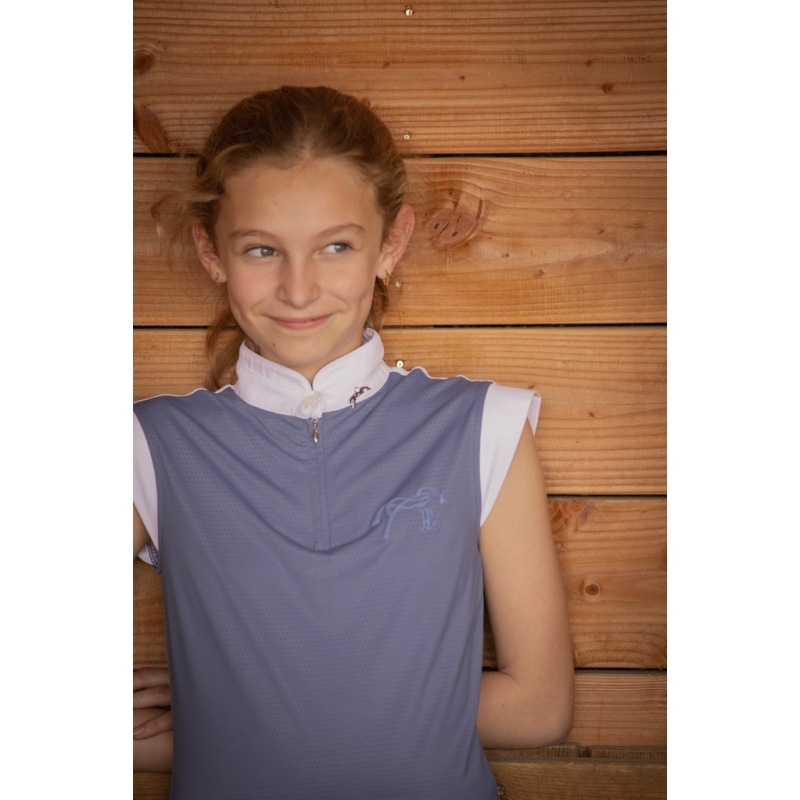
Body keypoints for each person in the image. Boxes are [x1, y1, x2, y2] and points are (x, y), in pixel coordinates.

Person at [133, 86, 573, 799]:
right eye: (262, 250)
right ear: (210, 251)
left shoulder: (486, 427)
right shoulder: (147, 446)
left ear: (390, 243)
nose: (299, 289)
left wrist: (244, 716)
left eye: (335, 246)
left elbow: (539, 707)